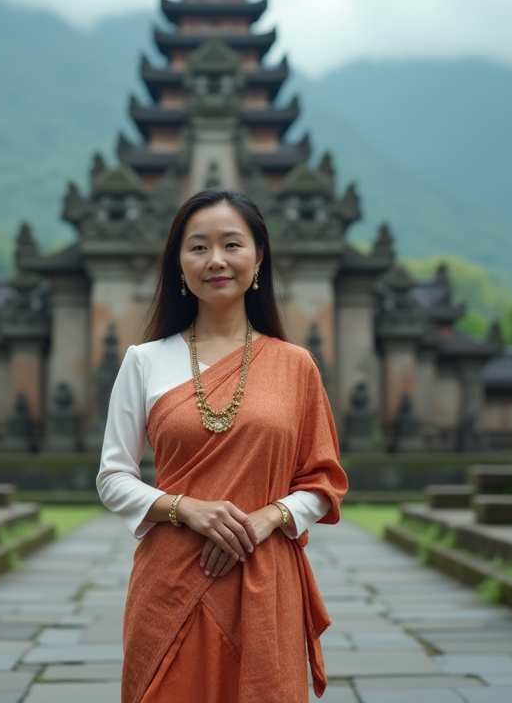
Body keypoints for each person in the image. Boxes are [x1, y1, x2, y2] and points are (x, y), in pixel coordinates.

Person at [97, 187, 349, 703]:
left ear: (258, 258)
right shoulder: (144, 361)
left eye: (231, 244)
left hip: (265, 577)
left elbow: (324, 482)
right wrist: (185, 508)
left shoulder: (295, 364)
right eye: (198, 247)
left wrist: (268, 518)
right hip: (171, 578)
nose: (216, 260)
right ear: (179, 266)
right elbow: (112, 477)